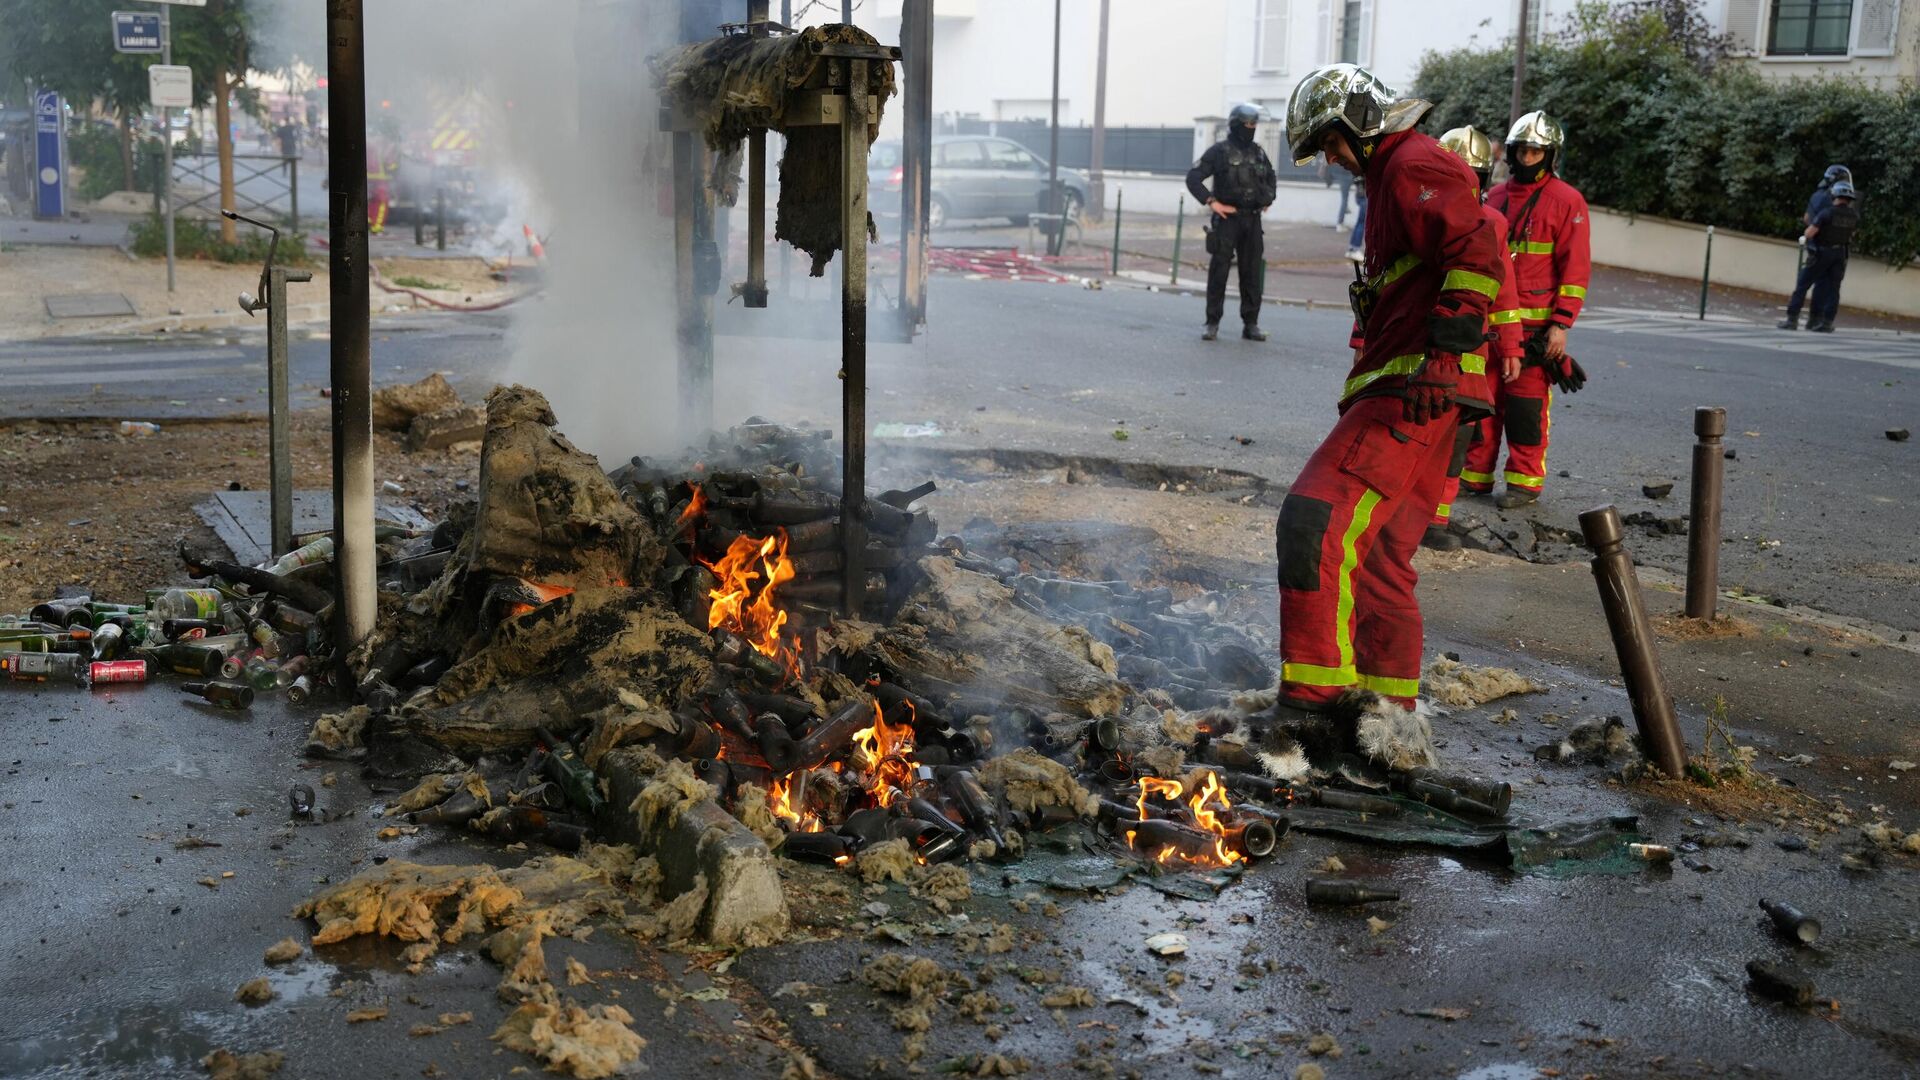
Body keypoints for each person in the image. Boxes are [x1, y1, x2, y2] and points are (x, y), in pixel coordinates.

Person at [1274, 63, 1505, 715]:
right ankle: (1388, 726)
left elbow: (1477, 250)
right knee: (1378, 563)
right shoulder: (1394, 176)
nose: (1330, 157)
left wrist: (1443, 355)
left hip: (1413, 388)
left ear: (1360, 119)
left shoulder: (1411, 163)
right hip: (1428, 394)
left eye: (1330, 140)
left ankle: (1316, 708)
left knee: (1313, 522)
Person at [1464, 111, 1590, 510]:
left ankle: (1524, 482)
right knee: (1482, 404)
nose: (1527, 157)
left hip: (1536, 330)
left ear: (1549, 154)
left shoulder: (1568, 202)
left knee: (1525, 408)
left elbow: (1575, 269)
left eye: (1535, 151)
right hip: (1492, 325)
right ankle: (1473, 477)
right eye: (1522, 150)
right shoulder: (1495, 197)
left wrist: (1561, 325)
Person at [1422, 125, 1525, 551]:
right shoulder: (1419, 213)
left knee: (1455, 443)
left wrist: (1513, 346)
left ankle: (1435, 522)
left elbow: (1504, 289)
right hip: (1418, 348)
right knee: (1412, 439)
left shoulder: (1494, 224)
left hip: (1469, 355)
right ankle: (1403, 519)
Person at [1186, 103, 1278, 342]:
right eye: (1248, 124)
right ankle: (1212, 322)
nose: (1252, 128)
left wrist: (1268, 198)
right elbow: (1193, 177)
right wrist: (1211, 201)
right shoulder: (1219, 151)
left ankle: (1251, 324)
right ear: (1237, 124)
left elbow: (1270, 177)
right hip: (1227, 221)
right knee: (1219, 272)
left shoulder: (1258, 151)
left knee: (1252, 274)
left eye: (1254, 124)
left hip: (1252, 220)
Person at [1779, 180, 1859, 332]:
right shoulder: (1854, 216)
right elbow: (1852, 235)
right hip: (1840, 254)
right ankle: (1825, 322)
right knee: (1833, 289)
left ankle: (1792, 319)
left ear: (1835, 195)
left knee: (1803, 284)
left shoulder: (1827, 213)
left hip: (1822, 252)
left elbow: (1810, 232)